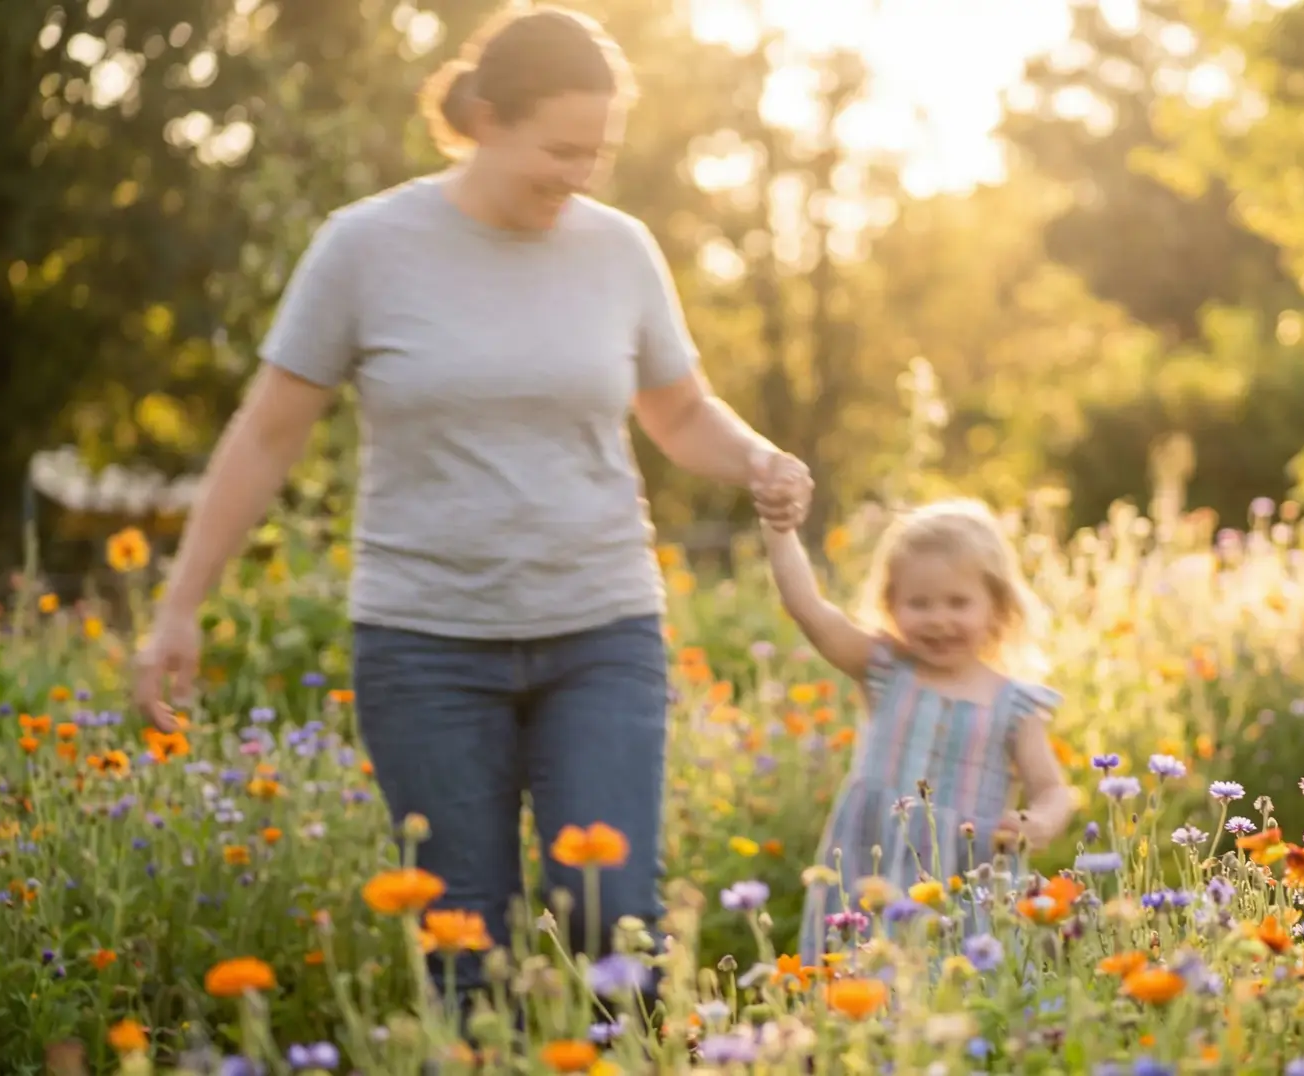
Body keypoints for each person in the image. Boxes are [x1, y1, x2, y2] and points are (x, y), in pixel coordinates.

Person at [131, 3, 811, 1006]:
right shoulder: (364, 247)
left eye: (601, 152)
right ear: (485, 117)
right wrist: (179, 603)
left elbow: (680, 413)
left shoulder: (619, 250)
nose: (581, 174)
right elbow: (267, 430)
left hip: (600, 631)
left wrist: (758, 456)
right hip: (425, 644)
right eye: (560, 149)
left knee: (611, 915)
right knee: (465, 948)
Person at [761, 498, 1073, 964]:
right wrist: (778, 526)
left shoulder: (1013, 704)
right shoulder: (884, 670)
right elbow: (808, 609)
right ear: (891, 605)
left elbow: (1052, 789)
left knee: (955, 995)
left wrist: (1040, 821)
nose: (939, 619)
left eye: (958, 602)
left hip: (963, 884)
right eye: (919, 603)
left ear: (997, 605)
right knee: (858, 981)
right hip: (872, 871)